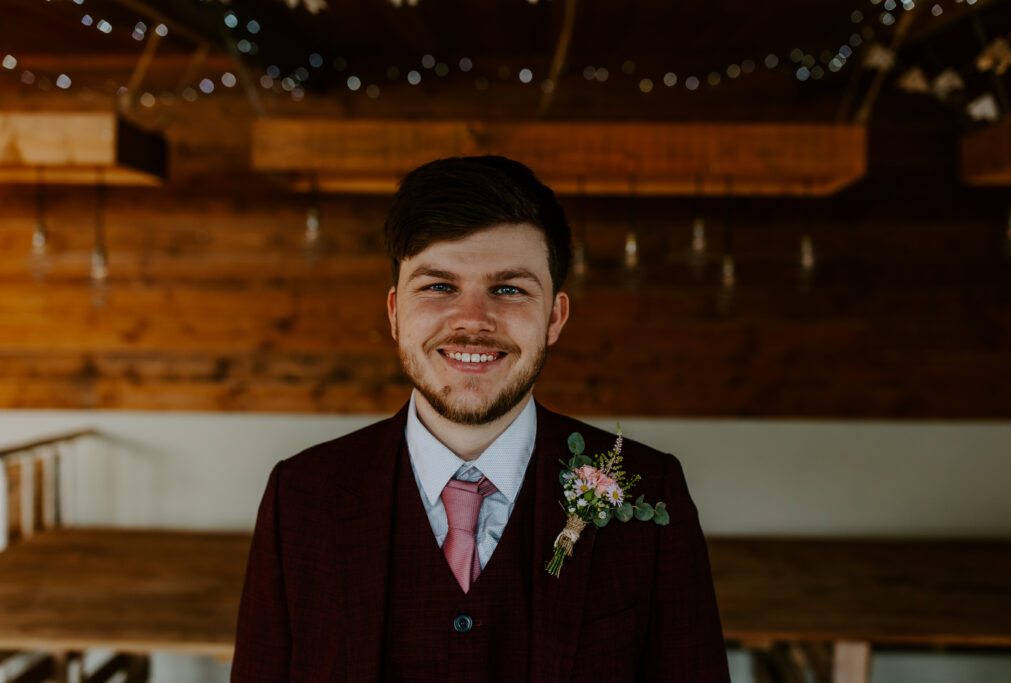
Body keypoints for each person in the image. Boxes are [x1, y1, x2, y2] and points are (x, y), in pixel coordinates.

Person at [231, 156, 730, 682]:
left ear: (554, 317)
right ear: (396, 312)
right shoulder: (300, 496)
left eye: (509, 289)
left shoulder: (651, 489)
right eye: (439, 286)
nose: (472, 321)